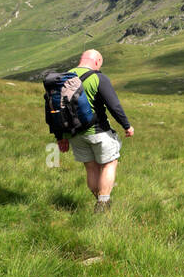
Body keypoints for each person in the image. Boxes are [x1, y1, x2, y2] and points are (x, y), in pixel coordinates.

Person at [55, 49, 134, 214]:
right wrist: (126, 125)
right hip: (98, 131)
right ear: (97, 62)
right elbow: (114, 105)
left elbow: (54, 108)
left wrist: (60, 136)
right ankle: (103, 204)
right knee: (109, 163)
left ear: (81, 59)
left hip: (74, 134)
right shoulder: (98, 77)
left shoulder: (62, 78)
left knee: (91, 168)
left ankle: (100, 203)